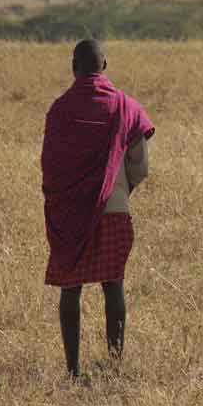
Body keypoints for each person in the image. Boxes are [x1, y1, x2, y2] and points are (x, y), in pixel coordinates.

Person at [42, 39, 155, 379]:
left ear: (73, 66)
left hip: (70, 213)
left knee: (70, 288)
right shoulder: (124, 106)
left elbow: (50, 164)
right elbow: (141, 166)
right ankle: (114, 364)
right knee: (113, 284)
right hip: (114, 209)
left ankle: (73, 370)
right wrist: (120, 189)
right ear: (104, 65)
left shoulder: (59, 109)